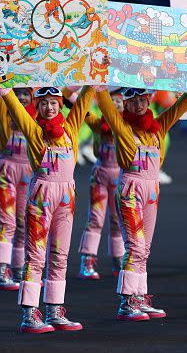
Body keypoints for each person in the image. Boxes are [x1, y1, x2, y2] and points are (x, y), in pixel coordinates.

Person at [0, 84, 94, 333]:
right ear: (36, 107)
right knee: (36, 256)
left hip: (66, 197)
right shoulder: (33, 130)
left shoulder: (70, 128)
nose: (49, 108)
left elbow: (82, 103)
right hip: (42, 195)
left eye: (53, 103)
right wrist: (4, 90)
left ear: (60, 105)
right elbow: (15, 109)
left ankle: (55, 309)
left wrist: (93, 82)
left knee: (60, 255)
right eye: (43, 103)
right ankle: (29, 313)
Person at [95, 86, 187, 321]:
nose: (139, 105)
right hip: (131, 188)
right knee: (136, 247)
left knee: (145, 249)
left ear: (148, 101)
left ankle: (140, 296)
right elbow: (108, 110)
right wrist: (99, 89)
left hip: (152, 190)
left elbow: (178, 110)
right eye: (133, 101)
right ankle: (127, 300)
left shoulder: (157, 128)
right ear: (126, 103)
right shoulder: (122, 127)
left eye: (143, 100)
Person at [77, 88, 125, 279]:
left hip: (121, 178)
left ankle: (119, 259)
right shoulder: (98, 125)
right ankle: (87, 260)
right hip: (100, 177)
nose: (115, 104)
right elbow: (78, 105)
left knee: (117, 219)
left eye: (119, 101)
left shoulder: (129, 128)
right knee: (96, 219)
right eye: (110, 100)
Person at [0, 87, 35, 290]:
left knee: (23, 222)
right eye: (18, 94)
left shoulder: (36, 122)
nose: (22, 98)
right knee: (6, 223)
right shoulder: (4, 117)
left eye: (26, 93)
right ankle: (0, 270)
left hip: (28, 175)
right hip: (6, 173)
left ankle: (19, 269)